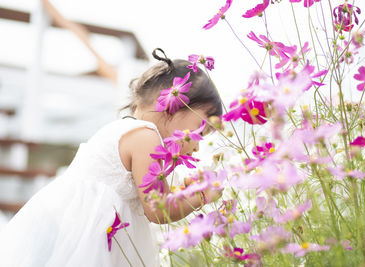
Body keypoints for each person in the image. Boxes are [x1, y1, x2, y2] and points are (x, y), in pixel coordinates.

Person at [0, 48, 223, 267]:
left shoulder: (129, 130)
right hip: (88, 240)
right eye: (200, 131)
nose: (197, 147)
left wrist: (183, 192)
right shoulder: (146, 137)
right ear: (174, 106)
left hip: (79, 231)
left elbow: (152, 194)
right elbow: (158, 209)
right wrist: (202, 196)